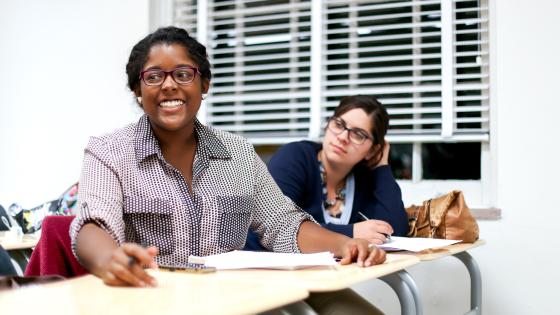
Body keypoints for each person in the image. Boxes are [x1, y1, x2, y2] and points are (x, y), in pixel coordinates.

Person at [70, 26, 385, 314]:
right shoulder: (108, 152)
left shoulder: (239, 153)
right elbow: (93, 224)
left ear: (204, 84)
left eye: (183, 74)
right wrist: (110, 259)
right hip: (154, 299)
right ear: (138, 91)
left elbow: (283, 223)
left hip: (236, 294)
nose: (168, 85)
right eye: (153, 77)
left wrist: (342, 244)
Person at [246, 95, 408, 251]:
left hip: (332, 275)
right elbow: (274, 227)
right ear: (327, 125)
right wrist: (350, 233)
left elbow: (393, 233)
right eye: (339, 125)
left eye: (358, 134)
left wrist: (382, 166)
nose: (343, 137)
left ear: (372, 151)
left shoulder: (363, 179)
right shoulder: (295, 157)